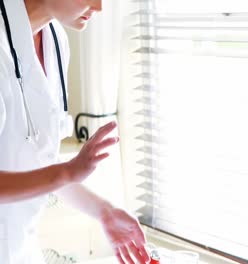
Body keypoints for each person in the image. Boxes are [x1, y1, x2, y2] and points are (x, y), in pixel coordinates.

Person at [0, 0, 150, 263]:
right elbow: (56, 173)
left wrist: (104, 210)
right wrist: (67, 171)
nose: (100, 7)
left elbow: (41, 161)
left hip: (22, 249)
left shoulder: (56, 40)